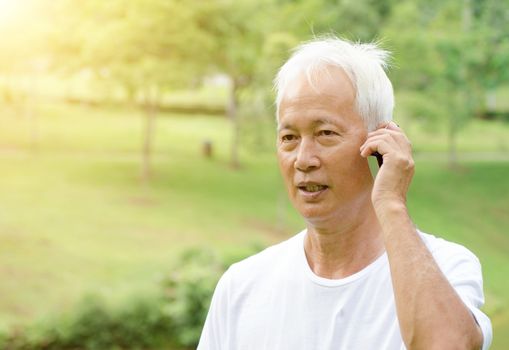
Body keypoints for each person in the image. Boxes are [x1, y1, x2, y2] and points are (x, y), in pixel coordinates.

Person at [198, 37, 492, 350]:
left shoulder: (445, 267)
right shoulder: (241, 287)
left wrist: (391, 203)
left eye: (325, 133)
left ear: (379, 143)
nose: (303, 159)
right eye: (289, 137)